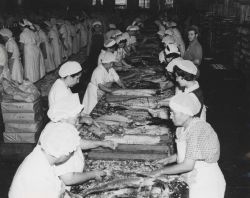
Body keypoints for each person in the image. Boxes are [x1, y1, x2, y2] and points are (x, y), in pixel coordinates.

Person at [149, 93, 226, 198]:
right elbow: (189, 152)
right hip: (192, 178)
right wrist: (169, 159)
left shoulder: (197, 129)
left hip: (206, 182)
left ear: (186, 113)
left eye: (173, 113)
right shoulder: (181, 128)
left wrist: (160, 171)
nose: (170, 116)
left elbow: (188, 165)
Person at [47, 93, 116, 190]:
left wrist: (101, 143)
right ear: (65, 116)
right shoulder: (59, 134)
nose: (78, 122)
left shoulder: (62, 125)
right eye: (76, 118)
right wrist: (93, 174)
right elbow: (68, 179)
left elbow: (78, 143)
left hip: (74, 176)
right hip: (62, 187)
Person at [8, 122, 81, 198]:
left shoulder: (41, 155)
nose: (72, 154)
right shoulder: (40, 176)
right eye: (72, 152)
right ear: (65, 153)